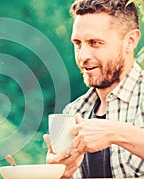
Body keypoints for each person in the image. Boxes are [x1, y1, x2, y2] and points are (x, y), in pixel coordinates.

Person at [44, 0, 144, 178]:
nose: (83, 56)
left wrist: (116, 132)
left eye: (95, 43)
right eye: (78, 43)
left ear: (130, 41)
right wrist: (60, 174)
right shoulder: (74, 111)